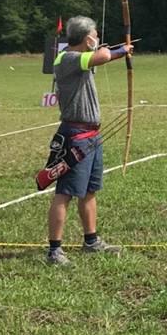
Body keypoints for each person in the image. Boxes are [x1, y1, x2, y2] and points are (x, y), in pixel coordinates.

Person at [45, 15, 131, 265]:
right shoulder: (68, 59)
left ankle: (91, 241)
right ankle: (54, 250)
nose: (98, 38)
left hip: (91, 135)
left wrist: (116, 51)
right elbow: (103, 56)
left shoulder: (81, 60)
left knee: (90, 190)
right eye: (95, 34)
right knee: (65, 193)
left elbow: (100, 57)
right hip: (75, 136)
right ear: (87, 38)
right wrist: (122, 50)